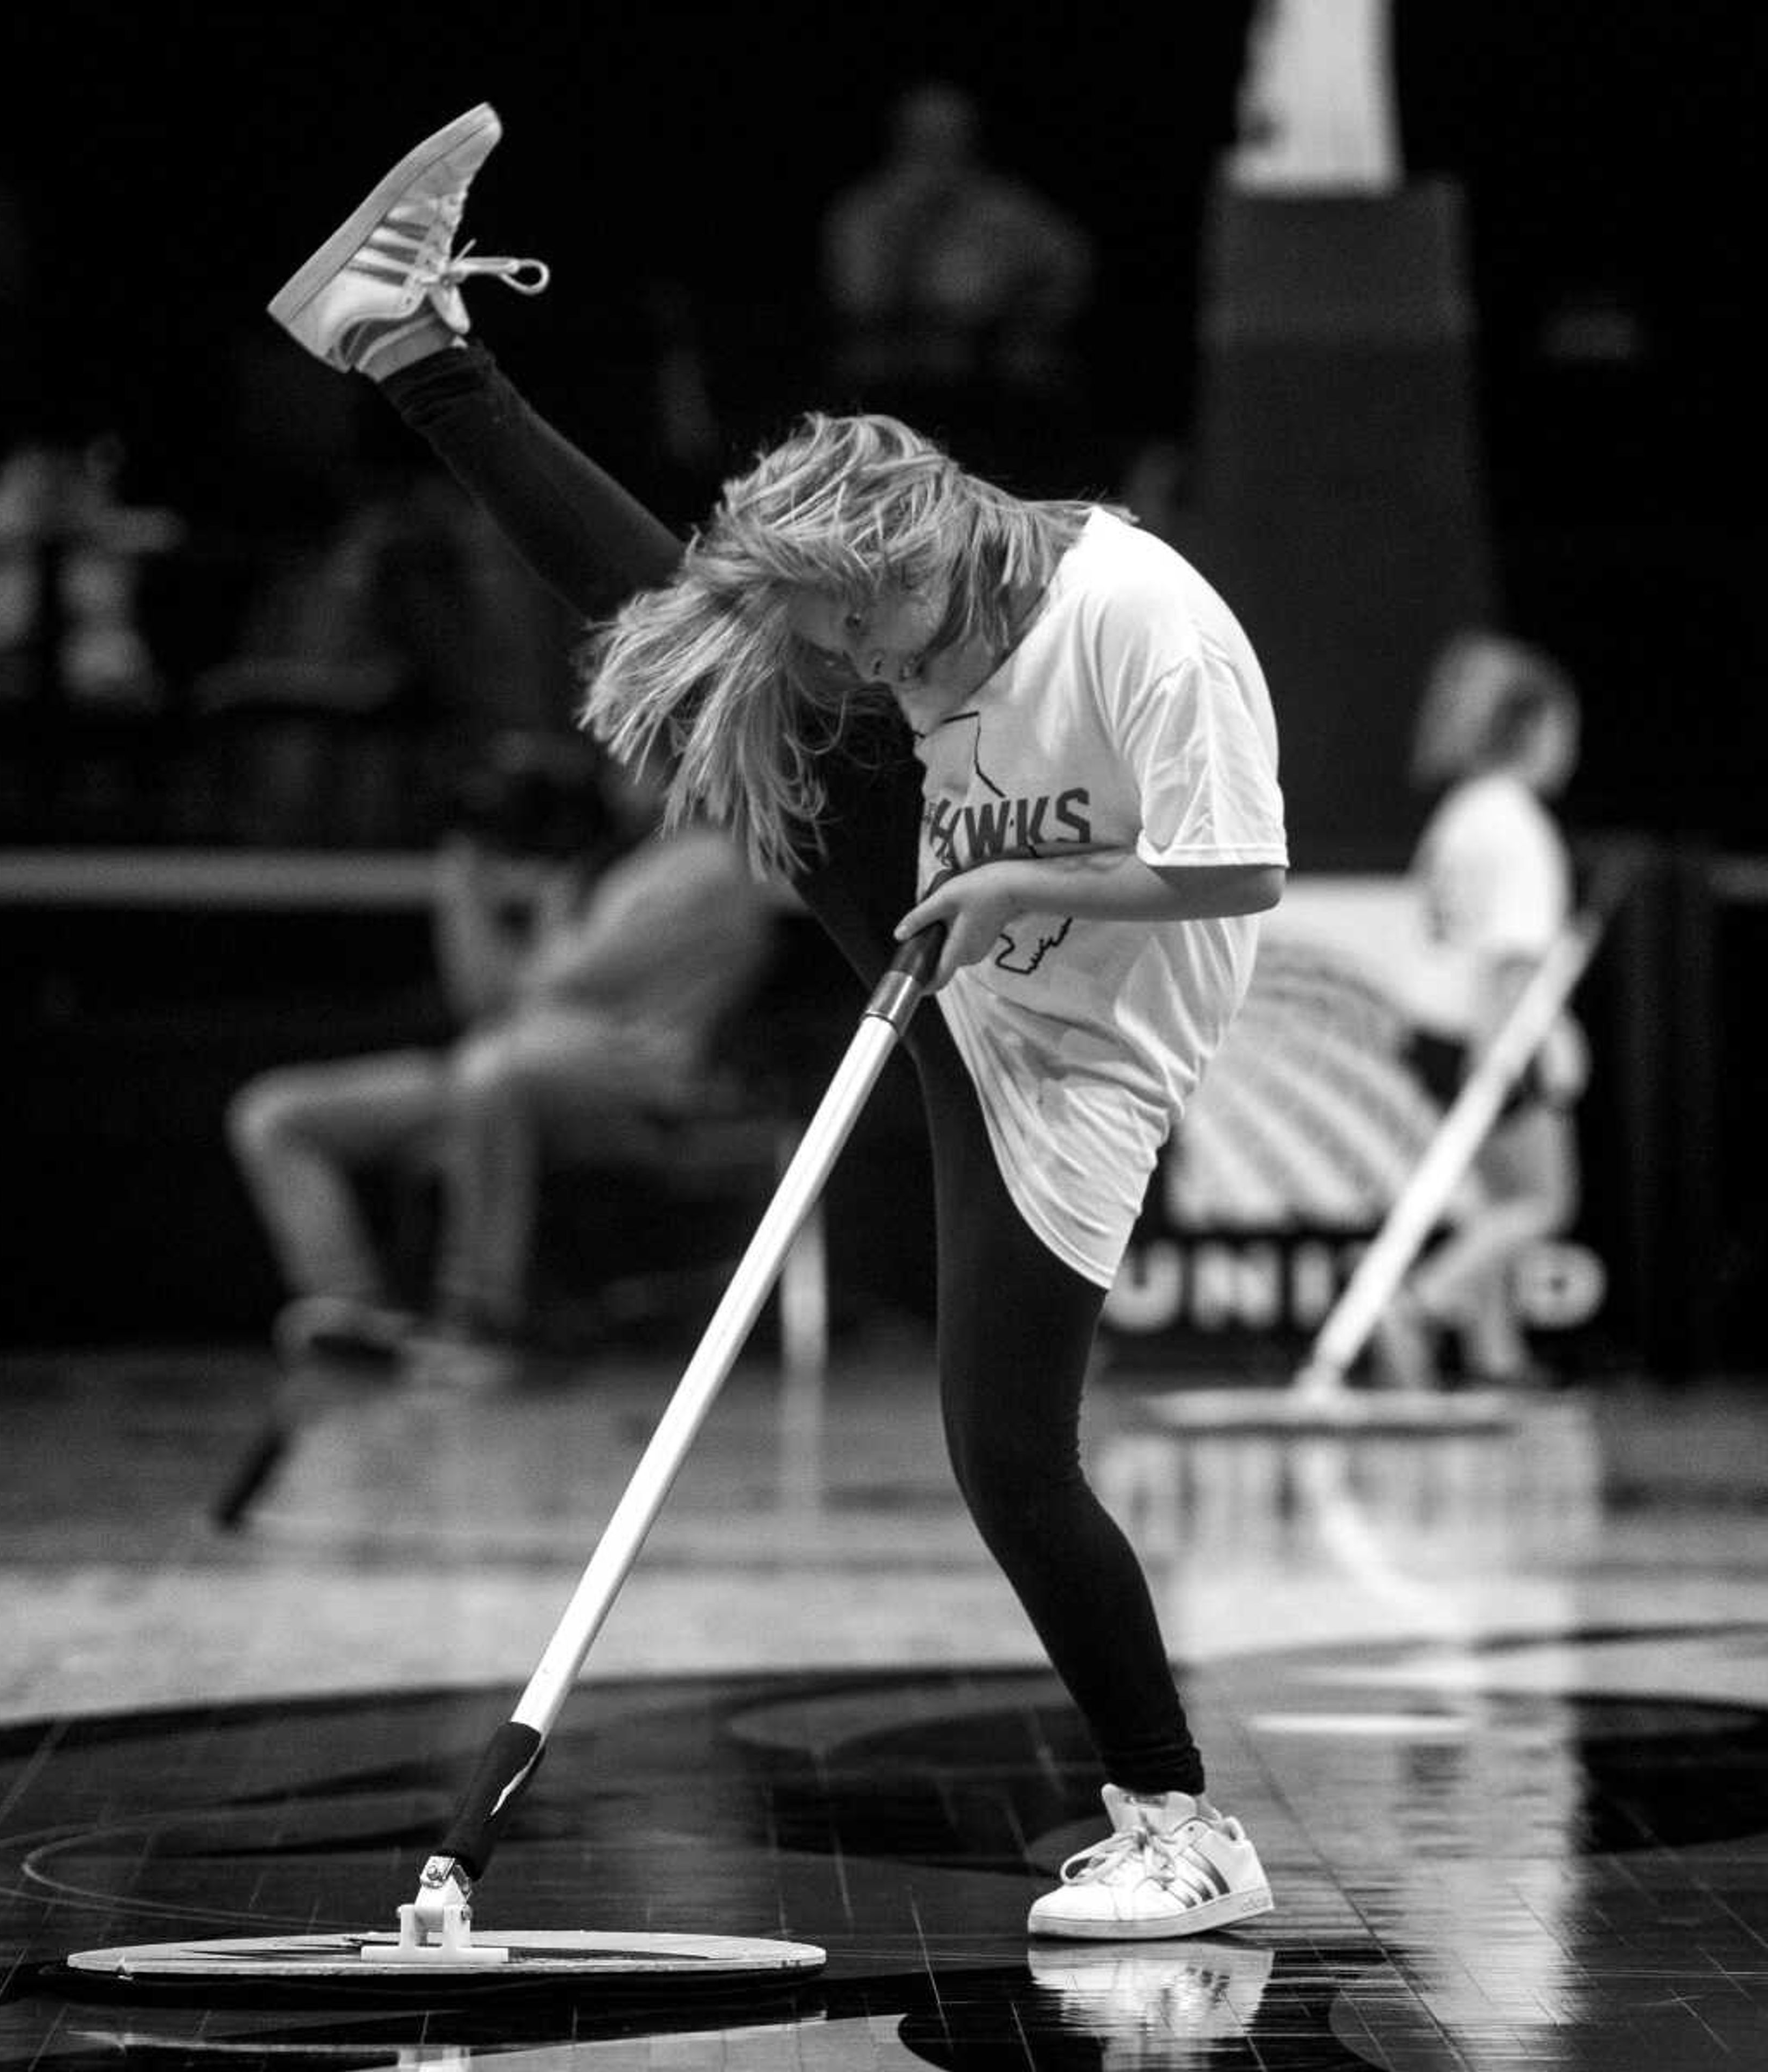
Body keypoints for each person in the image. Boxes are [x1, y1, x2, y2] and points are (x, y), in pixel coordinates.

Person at [265, 105, 1288, 1938]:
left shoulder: (1147, 622)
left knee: (1010, 1458)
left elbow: (1237, 879)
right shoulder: (887, 622)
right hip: (960, 950)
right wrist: (944, 859)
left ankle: (1188, 1833)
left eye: (879, 636)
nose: (874, 675)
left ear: (946, 555)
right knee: (687, 630)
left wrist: (1006, 890)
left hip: (1071, 1047)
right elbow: (777, 633)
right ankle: (406, 340)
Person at [228, 735, 775, 1388]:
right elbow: (484, 999)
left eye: (635, 765)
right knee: (278, 1113)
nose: (616, 779)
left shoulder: (707, 864)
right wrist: (463, 877)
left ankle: (479, 1318)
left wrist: (537, 903)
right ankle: (354, 1309)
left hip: (635, 1081)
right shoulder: (590, 871)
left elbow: (552, 982)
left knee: (495, 1072)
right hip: (502, 1068)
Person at [1374, 632, 1586, 1389]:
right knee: (1542, 1201)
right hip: (1485, 1035)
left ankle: (1499, 1359)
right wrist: (1504, 1060)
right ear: (1532, 730)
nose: (1570, 749)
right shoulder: (1517, 823)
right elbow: (1511, 960)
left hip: (1433, 1031)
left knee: (1497, 1202)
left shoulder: (1463, 813)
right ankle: (1418, 1308)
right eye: (1565, 729)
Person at [820, 81, 1094, 494]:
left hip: (993, 387)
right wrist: (911, 228)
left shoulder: (1006, 209)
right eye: (926, 139)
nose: (941, 152)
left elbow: (1071, 264)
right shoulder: (867, 212)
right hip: (892, 390)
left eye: (953, 138)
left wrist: (1028, 322)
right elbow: (859, 301)